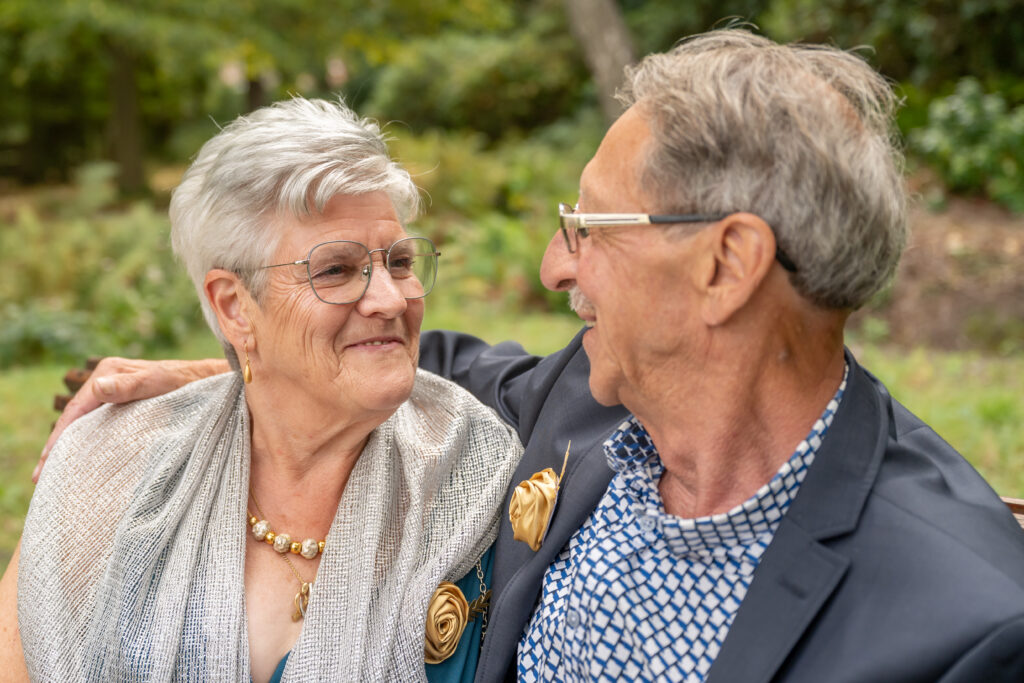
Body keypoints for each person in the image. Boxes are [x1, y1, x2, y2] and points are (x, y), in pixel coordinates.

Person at [25, 29, 1024, 682]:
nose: (553, 266)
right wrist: (232, 365)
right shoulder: (582, 405)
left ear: (725, 266)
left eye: (588, 227)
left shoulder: (963, 626)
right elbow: (403, 359)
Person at [0, 97, 523, 682]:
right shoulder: (107, 467)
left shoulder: (482, 474)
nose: (391, 298)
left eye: (399, 261)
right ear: (234, 308)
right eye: (335, 270)